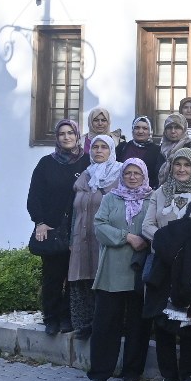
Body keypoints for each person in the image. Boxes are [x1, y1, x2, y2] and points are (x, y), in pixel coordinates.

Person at [140, 147, 191, 381]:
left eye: (187, 165)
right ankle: (168, 375)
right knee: (162, 319)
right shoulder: (159, 193)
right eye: (177, 165)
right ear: (171, 167)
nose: (182, 170)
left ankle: (189, 374)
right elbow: (147, 226)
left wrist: (176, 242)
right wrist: (172, 243)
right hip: (163, 262)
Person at [87, 158, 152, 381]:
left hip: (139, 269)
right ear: (121, 176)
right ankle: (99, 372)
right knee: (106, 323)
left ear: (144, 176)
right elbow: (100, 226)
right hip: (113, 269)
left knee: (137, 324)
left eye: (137, 173)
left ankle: (132, 372)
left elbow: (156, 225)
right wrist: (127, 237)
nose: (132, 177)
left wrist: (145, 239)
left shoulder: (151, 199)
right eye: (128, 173)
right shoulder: (110, 198)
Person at [30, 119, 90, 336]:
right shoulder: (46, 163)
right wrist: (40, 222)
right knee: (53, 276)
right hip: (53, 229)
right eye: (62, 134)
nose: (66, 137)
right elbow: (34, 196)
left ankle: (68, 317)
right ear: (57, 138)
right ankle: (51, 318)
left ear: (77, 136)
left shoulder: (86, 163)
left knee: (74, 277)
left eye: (70, 133)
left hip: (79, 230)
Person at [68, 135, 122, 339]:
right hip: (82, 237)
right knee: (83, 279)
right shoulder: (85, 175)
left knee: (103, 281)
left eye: (104, 147)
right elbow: (75, 210)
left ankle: (104, 326)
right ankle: (84, 325)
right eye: (95, 147)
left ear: (111, 151)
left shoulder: (119, 173)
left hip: (105, 238)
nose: (99, 151)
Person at [117, 116, 163, 183]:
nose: (140, 131)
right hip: (123, 190)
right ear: (133, 130)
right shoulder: (122, 147)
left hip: (147, 191)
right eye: (137, 128)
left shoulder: (157, 151)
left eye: (145, 128)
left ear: (150, 131)